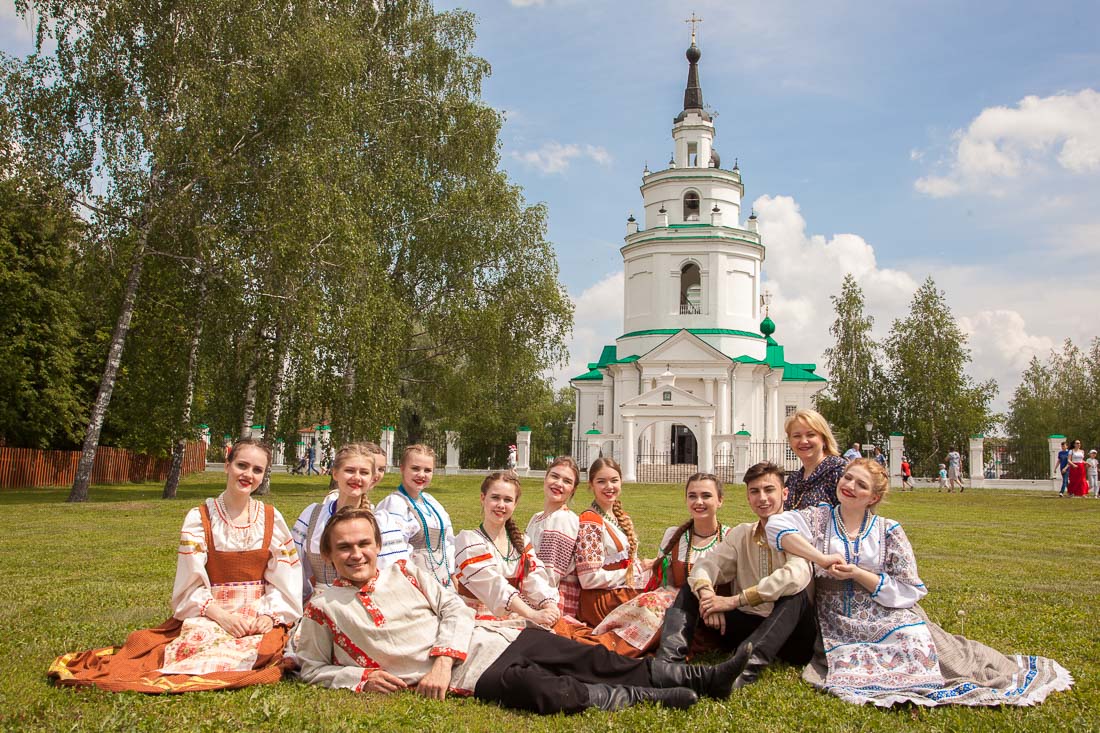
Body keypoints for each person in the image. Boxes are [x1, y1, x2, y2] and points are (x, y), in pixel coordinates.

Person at [295, 507, 753, 712]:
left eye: (364, 543)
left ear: (377, 546)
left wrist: (441, 659)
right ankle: (649, 698)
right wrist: (359, 678)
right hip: (469, 675)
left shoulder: (408, 570)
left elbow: (454, 610)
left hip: (490, 639)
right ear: (329, 554)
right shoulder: (324, 607)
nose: (356, 554)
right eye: (344, 547)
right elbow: (311, 667)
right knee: (546, 692)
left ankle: (703, 679)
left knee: (591, 657)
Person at [767, 458, 1073, 707]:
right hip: (838, 619)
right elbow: (777, 527)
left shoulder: (887, 530)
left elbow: (908, 588)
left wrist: (858, 574)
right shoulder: (819, 518)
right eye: (847, 478)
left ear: (873, 497)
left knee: (913, 639)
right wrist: (821, 559)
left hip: (884, 610)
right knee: (859, 656)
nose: (849, 486)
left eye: (860, 484)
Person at [49, 439, 302, 693]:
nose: (248, 475)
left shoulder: (271, 518)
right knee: (199, 647)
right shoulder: (200, 518)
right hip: (213, 613)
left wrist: (269, 616)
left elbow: (284, 578)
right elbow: (189, 584)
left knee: (264, 650)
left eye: (257, 470)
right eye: (242, 465)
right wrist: (223, 617)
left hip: (257, 613)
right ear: (227, 466)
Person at [657, 462, 816, 689]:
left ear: (784, 493)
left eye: (769, 490)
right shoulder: (742, 534)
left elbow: (795, 576)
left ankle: (742, 672)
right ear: (748, 497)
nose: (762, 498)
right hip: (747, 626)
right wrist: (707, 596)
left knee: (795, 595)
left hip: (792, 636)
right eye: (755, 491)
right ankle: (667, 663)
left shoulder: (798, 532)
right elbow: (707, 564)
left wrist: (734, 601)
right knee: (694, 586)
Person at [578, 472, 734, 656]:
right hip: (674, 611)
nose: (698, 502)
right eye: (692, 496)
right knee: (650, 604)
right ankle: (603, 648)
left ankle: (605, 652)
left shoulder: (730, 538)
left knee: (654, 606)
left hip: (710, 619)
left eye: (706, 496)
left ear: (720, 500)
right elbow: (663, 582)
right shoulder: (674, 536)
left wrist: (716, 604)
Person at [453, 472, 561, 627]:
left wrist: (549, 605)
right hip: (476, 621)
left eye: (508, 500)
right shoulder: (468, 541)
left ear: (515, 504)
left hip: (512, 619)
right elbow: (494, 586)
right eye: (495, 497)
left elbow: (534, 578)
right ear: (483, 498)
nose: (501, 505)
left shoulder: (521, 542)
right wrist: (532, 614)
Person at [293, 442, 384, 603]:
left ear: (372, 479)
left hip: (367, 603)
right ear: (335, 473)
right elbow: (294, 567)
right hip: (320, 604)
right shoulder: (313, 515)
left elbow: (390, 575)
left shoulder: (380, 520)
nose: (356, 477)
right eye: (349, 470)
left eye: (364, 472)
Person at [574, 457, 654, 626]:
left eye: (614, 480)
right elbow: (589, 579)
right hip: (602, 599)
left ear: (621, 482)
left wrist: (645, 567)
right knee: (659, 605)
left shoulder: (622, 517)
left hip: (622, 590)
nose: (609, 486)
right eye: (601, 481)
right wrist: (637, 570)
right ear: (591, 485)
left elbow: (630, 563)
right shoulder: (590, 521)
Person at [375, 444, 455, 589]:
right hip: (414, 585)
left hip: (442, 582)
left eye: (427, 470)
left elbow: (448, 542)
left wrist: (452, 574)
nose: (421, 475)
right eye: (415, 468)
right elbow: (392, 553)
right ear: (402, 468)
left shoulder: (432, 502)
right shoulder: (395, 504)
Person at [525, 457, 583, 618]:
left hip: (550, 602)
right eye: (554, 476)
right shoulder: (537, 517)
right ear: (545, 478)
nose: (558, 484)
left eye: (567, 481)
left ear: (573, 489)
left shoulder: (562, 519)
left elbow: (550, 576)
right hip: (532, 591)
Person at [784, 409, 846, 510]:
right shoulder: (793, 480)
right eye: (797, 436)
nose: (803, 441)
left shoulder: (839, 472)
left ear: (824, 439)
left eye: (810, 435)